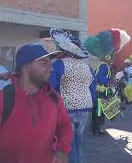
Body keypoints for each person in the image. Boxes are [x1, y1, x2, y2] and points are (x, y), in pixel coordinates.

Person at [0, 43, 72, 163]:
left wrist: (62, 151)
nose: (51, 68)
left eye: (50, 64)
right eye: (44, 63)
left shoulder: (54, 98)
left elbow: (65, 126)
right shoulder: (1, 99)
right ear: (26, 66)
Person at [49, 29, 93, 163]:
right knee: (79, 142)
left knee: (68, 144)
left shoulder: (59, 64)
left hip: (67, 109)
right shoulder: (87, 67)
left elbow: (51, 88)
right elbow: (92, 88)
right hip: (85, 107)